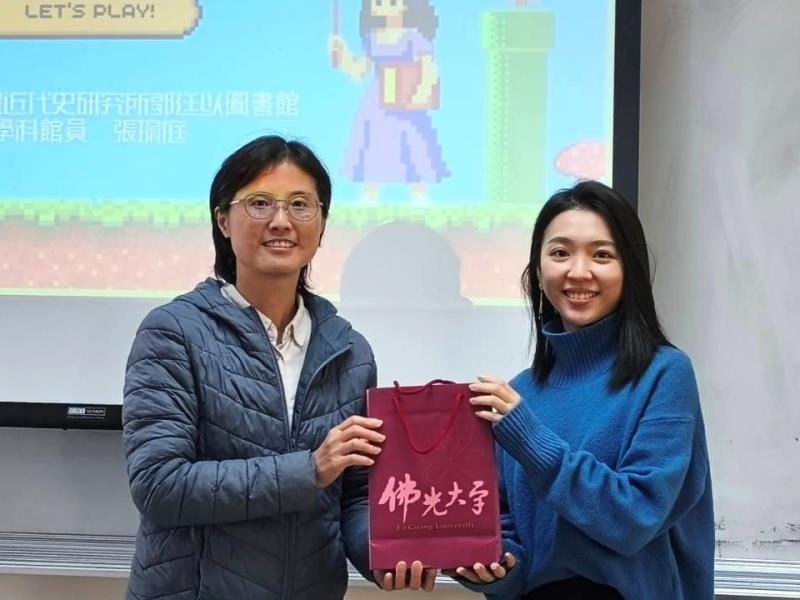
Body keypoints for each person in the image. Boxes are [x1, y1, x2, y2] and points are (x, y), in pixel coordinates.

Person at [122, 135, 435, 599]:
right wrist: (308, 470)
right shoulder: (173, 332)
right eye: (260, 203)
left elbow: (353, 497)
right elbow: (159, 486)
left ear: (322, 224)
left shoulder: (351, 352)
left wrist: (385, 558)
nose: (282, 221)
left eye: (301, 205)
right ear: (223, 221)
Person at [455, 181, 714, 599]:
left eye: (602, 255)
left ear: (629, 270)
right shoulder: (519, 395)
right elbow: (516, 551)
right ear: (537, 271)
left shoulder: (665, 374)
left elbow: (634, 519)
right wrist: (493, 566)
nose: (578, 272)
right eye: (560, 253)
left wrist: (531, 440)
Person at [330, 0, 449, 204]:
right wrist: (342, 56)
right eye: (379, 2)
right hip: (377, 101)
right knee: (374, 145)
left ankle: (419, 194)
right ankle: (369, 195)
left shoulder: (414, 37)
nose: (385, 6)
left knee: (412, 144)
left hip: (406, 100)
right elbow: (359, 72)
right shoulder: (372, 38)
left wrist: (421, 92)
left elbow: (429, 67)